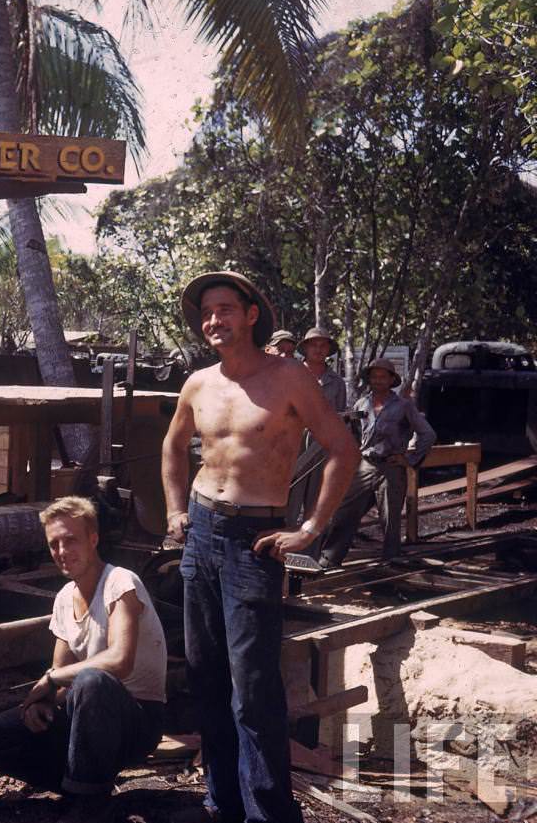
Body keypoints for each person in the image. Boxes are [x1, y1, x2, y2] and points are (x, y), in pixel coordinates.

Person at [162, 271, 360, 823]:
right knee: (206, 678)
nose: (214, 321)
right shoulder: (199, 383)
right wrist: (177, 511)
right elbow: (174, 446)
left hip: (255, 542)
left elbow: (343, 449)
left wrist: (312, 527)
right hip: (200, 535)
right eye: (206, 312)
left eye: (225, 309)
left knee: (252, 688)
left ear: (251, 315)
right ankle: (220, 803)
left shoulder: (290, 378)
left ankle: (270, 813)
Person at [0, 496, 166, 818]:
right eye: (54, 544)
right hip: (85, 716)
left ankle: (85, 804)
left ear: (93, 539)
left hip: (136, 720)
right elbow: (60, 673)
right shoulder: (63, 599)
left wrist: (51, 679)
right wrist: (41, 704)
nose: (61, 551)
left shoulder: (120, 582)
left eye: (70, 540)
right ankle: (83, 786)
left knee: (92, 681)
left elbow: (119, 661)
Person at [318, 357, 436, 567]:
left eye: (383, 377)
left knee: (390, 518)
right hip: (364, 466)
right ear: (369, 379)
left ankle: (391, 561)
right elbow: (353, 435)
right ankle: (329, 559)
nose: (378, 380)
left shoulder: (403, 406)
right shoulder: (361, 403)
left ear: (392, 380)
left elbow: (427, 434)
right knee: (344, 511)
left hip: (391, 468)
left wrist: (409, 459)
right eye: (374, 376)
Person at [287, 327, 351, 528]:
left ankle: (310, 555)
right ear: (305, 348)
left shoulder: (337, 382)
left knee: (315, 505)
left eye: (323, 345)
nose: (318, 349)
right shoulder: (290, 374)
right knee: (288, 502)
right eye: (313, 344)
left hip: (322, 448)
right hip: (292, 445)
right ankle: (278, 553)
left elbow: (339, 418)